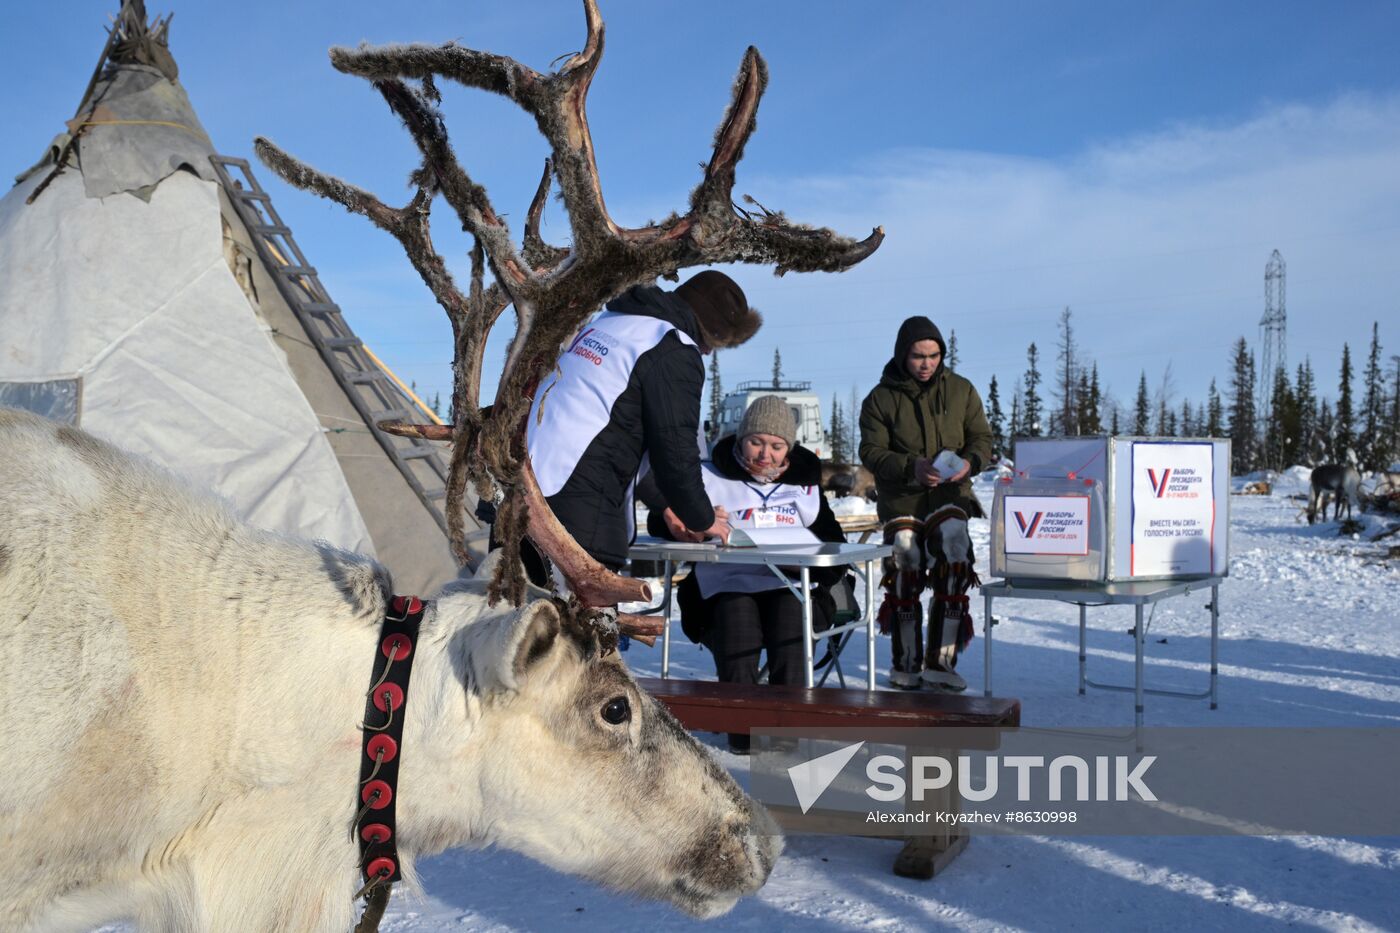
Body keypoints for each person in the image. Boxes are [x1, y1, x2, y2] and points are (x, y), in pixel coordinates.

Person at [524, 271, 761, 580]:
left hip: (525, 496)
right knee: (576, 626)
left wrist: (665, 506)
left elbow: (608, 434)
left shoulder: (610, 325)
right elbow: (675, 453)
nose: (709, 351)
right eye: (716, 341)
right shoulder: (673, 348)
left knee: (513, 619)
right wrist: (702, 518)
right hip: (573, 522)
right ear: (709, 328)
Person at [648, 396, 850, 754]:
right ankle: (741, 733)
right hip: (724, 583)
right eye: (756, 442)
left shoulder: (804, 485)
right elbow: (663, 521)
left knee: (791, 624)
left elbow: (834, 544)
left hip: (787, 583)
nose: (764, 455)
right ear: (740, 440)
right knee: (736, 620)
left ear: (789, 448)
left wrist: (810, 559)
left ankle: (787, 731)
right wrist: (694, 525)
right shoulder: (711, 476)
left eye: (776, 446)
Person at [859, 315, 992, 691]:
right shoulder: (880, 398)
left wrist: (971, 462)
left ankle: (941, 663)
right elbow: (870, 451)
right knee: (905, 560)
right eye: (919, 355)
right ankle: (906, 663)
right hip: (902, 496)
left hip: (949, 494)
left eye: (934, 355)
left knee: (954, 551)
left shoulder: (962, 391)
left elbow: (981, 438)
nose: (927, 363)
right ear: (903, 354)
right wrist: (909, 467)